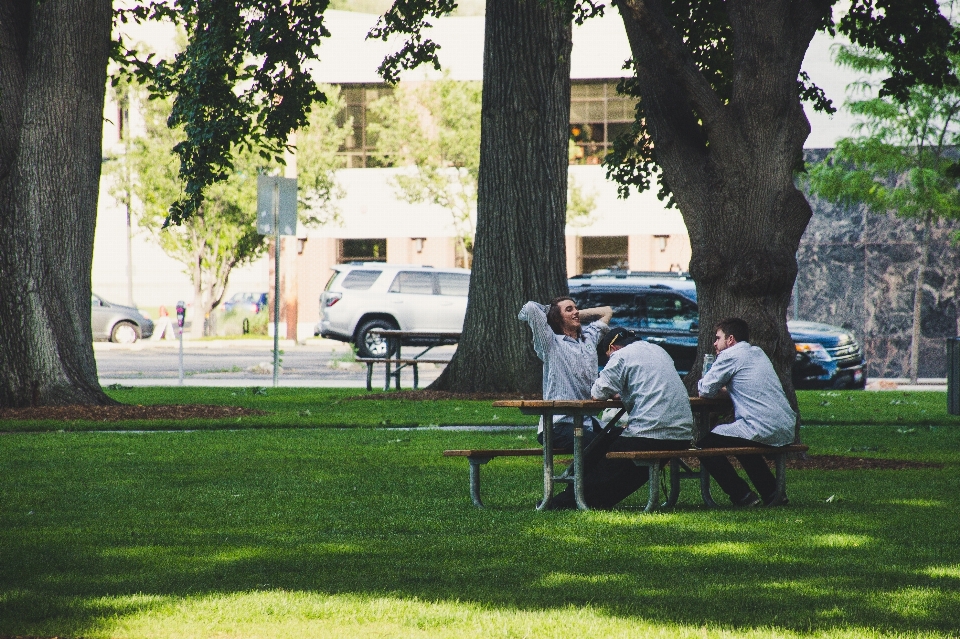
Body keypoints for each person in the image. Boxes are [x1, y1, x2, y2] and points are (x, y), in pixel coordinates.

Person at [554, 327, 693, 510]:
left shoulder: (621, 356)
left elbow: (597, 393)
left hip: (650, 433)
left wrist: (615, 391)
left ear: (612, 348)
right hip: (682, 435)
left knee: (604, 460)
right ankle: (583, 497)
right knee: (606, 439)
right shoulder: (659, 350)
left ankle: (567, 499)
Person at [697, 317, 797, 507]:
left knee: (705, 445)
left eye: (718, 338)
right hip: (785, 425)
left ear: (731, 339)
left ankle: (742, 496)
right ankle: (773, 493)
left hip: (761, 426)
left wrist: (709, 380)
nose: (714, 343)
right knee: (741, 441)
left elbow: (705, 390)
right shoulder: (757, 353)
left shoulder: (730, 355)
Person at [518, 297, 612, 449]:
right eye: (569, 309)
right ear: (557, 317)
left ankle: (587, 473)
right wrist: (553, 312)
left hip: (587, 423)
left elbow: (607, 312)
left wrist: (574, 314)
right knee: (600, 444)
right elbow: (530, 307)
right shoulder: (550, 343)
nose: (576, 312)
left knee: (623, 440)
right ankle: (578, 474)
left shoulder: (588, 339)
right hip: (557, 426)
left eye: (576, 308)